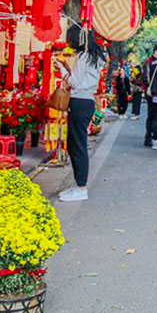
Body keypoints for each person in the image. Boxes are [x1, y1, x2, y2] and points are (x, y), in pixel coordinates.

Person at [56, 24, 108, 202]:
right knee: (75, 144)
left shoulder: (84, 56)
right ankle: (78, 184)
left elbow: (75, 83)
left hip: (79, 101)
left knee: (77, 145)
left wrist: (61, 69)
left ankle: (81, 187)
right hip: (86, 102)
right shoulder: (95, 56)